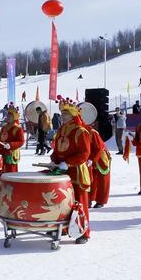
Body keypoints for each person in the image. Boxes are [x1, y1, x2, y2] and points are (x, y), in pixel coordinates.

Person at [50, 96, 92, 244]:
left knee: (79, 202)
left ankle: (83, 232)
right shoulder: (62, 129)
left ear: (74, 114)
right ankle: (64, 228)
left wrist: (68, 163)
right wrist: (53, 160)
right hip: (62, 170)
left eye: (65, 114)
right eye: (62, 113)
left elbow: (84, 154)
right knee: (63, 201)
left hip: (76, 172)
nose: (62, 116)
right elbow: (57, 148)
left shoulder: (81, 131)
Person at [0, 103, 25, 173]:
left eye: (10, 115)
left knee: (10, 173)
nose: (8, 117)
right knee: (2, 172)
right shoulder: (3, 127)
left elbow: (21, 141)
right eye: (8, 115)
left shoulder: (18, 128)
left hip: (11, 154)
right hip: (2, 153)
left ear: (15, 117)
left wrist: (11, 145)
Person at [87, 121, 111, 208]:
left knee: (102, 180)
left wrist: (92, 160)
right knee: (89, 178)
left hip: (100, 158)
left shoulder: (92, 132)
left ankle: (101, 201)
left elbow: (99, 148)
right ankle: (89, 199)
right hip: (89, 157)